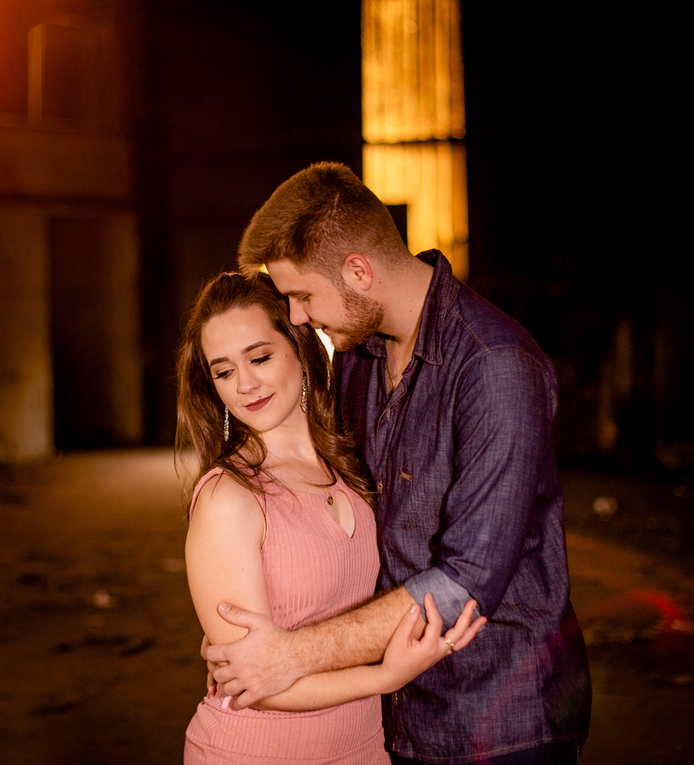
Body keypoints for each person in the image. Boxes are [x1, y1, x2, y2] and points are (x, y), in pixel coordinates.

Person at [205, 163, 592, 764]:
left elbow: (466, 581)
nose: (298, 316)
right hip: (399, 717)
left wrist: (288, 655)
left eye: (303, 295)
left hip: (500, 718)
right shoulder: (359, 357)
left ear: (358, 271)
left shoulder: (494, 365)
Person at [177, 272, 486, 764]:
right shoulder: (228, 497)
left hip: (363, 748)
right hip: (255, 752)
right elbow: (252, 681)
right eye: (223, 371)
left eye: (260, 358)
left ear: (300, 350)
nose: (245, 384)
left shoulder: (346, 465)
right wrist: (386, 676)